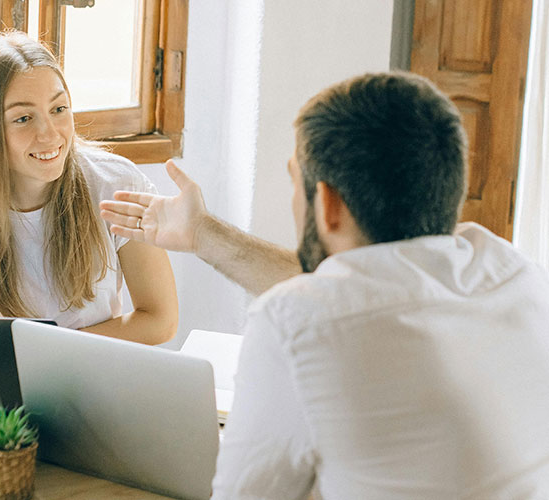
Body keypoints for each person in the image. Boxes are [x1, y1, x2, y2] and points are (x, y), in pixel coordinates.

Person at [101, 72, 549, 498]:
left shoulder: (293, 321)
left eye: (295, 181)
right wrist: (203, 233)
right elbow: (362, 289)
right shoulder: (513, 271)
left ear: (329, 203)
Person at [0, 32, 177, 345]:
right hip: (10, 374)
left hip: (93, 368)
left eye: (59, 109)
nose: (49, 135)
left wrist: (53, 351)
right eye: (23, 118)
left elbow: (160, 320)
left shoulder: (116, 185)